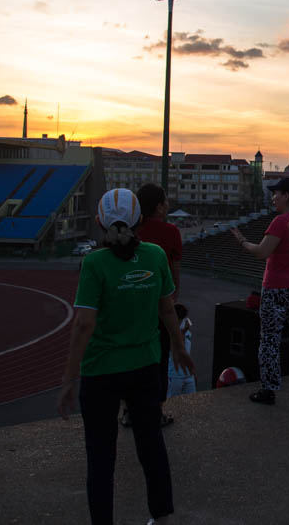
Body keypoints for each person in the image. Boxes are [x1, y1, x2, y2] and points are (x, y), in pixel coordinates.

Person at [57, 188, 194, 525]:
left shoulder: (94, 263)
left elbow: (84, 324)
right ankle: (161, 515)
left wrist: (69, 378)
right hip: (145, 365)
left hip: (101, 371)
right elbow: (167, 308)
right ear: (138, 219)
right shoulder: (155, 255)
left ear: (101, 220)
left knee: (101, 457)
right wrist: (177, 346)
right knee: (151, 445)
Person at [231, 177, 289, 404]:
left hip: (278, 287)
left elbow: (262, 252)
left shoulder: (281, 222)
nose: (273, 198)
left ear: (287, 196)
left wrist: (242, 241)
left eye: (276, 193)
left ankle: (269, 389)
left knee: (270, 339)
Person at [136, 183, 183, 426]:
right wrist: (174, 298)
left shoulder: (133, 230)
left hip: (133, 304)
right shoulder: (170, 232)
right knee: (160, 358)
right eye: (165, 202)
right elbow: (174, 269)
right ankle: (157, 410)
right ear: (158, 206)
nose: (167, 206)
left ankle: (127, 411)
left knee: (131, 357)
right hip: (160, 305)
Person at [166, 303, 196, 397]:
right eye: (180, 319)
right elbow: (178, 348)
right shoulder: (170, 331)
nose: (182, 321)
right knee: (173, 402)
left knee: (193, 401)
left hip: (188, 374)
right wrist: (182, 332)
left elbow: (186, 352)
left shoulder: (185, 329)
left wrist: (193, 372)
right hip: (175, 375)